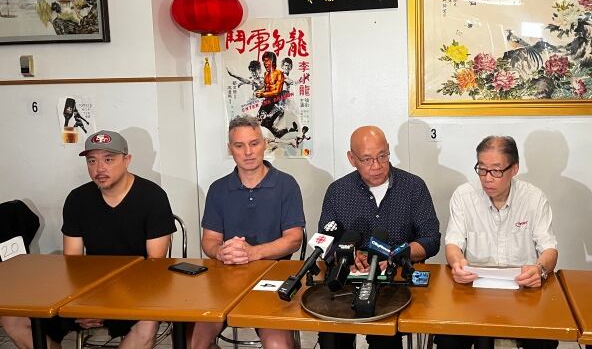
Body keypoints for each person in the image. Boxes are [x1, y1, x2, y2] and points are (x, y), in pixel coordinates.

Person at [0, 130, 176, 349]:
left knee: (147, 324)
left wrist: (111, 303)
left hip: (136, 292)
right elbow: (72, 262)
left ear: (127, 160)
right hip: (89, 291)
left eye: (108, 160)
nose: (99, 168)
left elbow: (154, 264)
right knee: (11, 319)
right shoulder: (78, 199)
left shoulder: (153, 197)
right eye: (92, 161)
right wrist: (79, 305)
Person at [187, 115, 305, 349]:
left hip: (273, 278)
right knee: (193, 342)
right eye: (239, 146)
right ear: (230, 149)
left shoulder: (286, 184)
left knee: (278, 345)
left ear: (264, 144)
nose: (248, 152)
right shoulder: (218, 189)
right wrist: (221, 252)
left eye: (254, 143)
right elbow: (209, 240)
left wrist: (253, 253)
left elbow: (294, 239)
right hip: (224, 279)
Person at [318, 126, 440, 349]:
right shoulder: (338, 191)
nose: (377, 166)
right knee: (331, 337)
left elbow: (431, 240)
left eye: (382, 156)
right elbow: (325, 240)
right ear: (351, 159)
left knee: (386, 339)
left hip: (396, 280)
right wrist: (348, 255)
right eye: (367, 159)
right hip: (347, 280)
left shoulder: (413, 187)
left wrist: (395, 255)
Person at [438, 135, 558, 349]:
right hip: (474, 291)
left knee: (544, 340)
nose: (487, 178)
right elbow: (453, 243)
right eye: (482, 169)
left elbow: (549, 249)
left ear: (514, 169)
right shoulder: (464, 196)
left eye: (496, 170)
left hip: (524, 291)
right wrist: (457, 263)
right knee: (448, 338)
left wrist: (539, 269)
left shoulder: (534, 198)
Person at [255, 51, 297, 139]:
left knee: (269, 121)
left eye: (267, 61)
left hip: (277, 101)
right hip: (267, 101)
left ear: (273, 61)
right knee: (259, 122)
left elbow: (277, 91)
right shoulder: (266, 74)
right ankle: (283, 133)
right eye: (264, 61)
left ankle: (286, 133)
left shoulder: (279, 74)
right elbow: (267, 88)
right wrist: (260, 91)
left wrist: (262, 93)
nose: (265, 63)